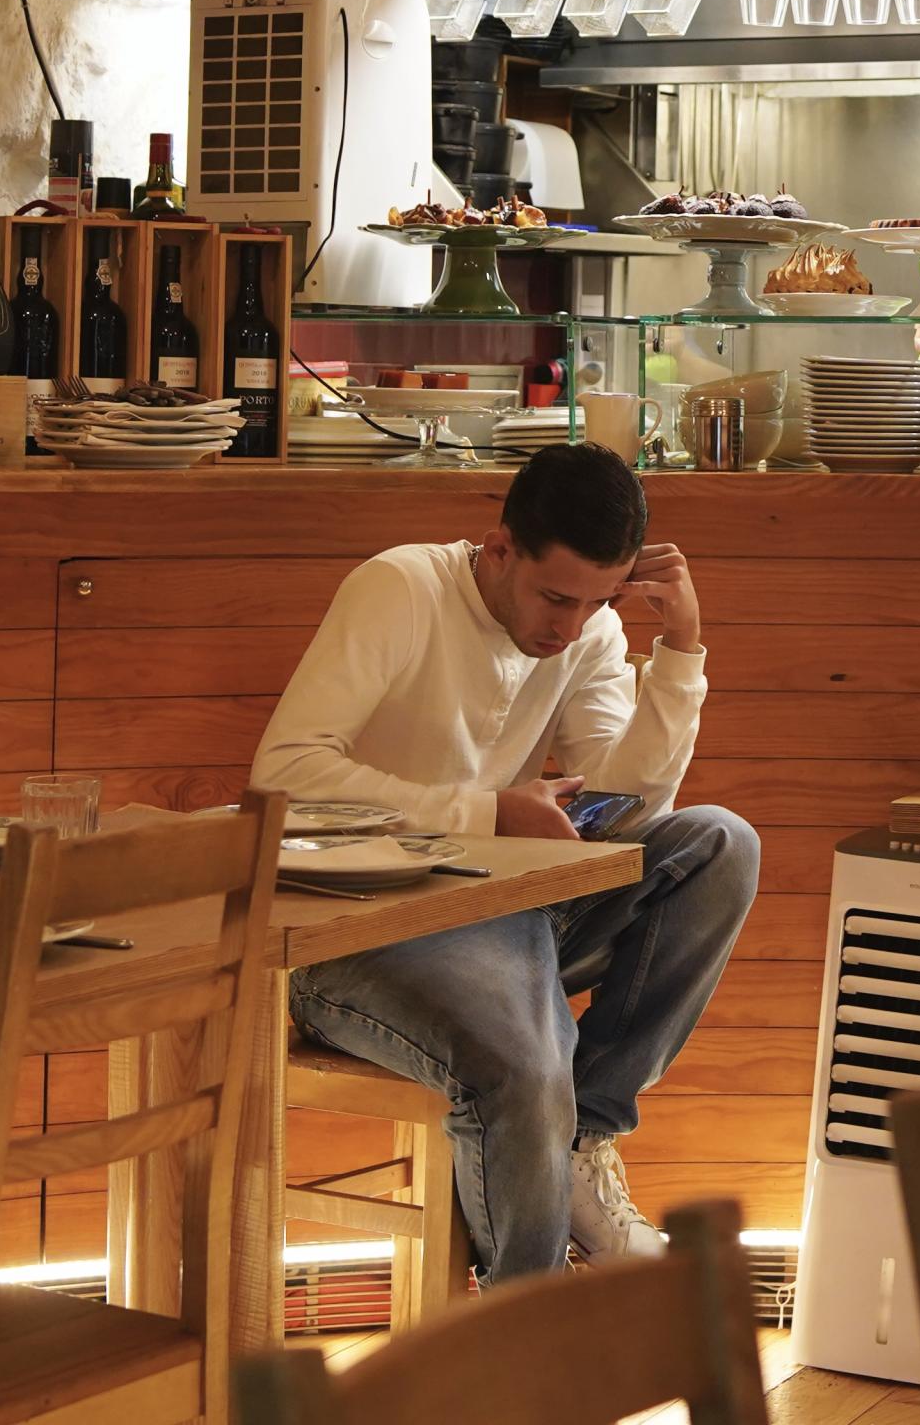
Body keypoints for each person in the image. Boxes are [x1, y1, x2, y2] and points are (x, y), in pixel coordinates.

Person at [248, 444, 756, 1276]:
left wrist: (682, 649)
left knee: (719, 843)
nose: (570, 627)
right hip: (360, 938)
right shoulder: (401, 588)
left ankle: (581, 1141)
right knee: (527, 1062)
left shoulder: (590, 631)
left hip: (510, 913)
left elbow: (633, 812)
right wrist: (485, 813)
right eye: (556, 597)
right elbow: (284, 777)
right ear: (499, 549)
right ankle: (529, 1315)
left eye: (598, 602)